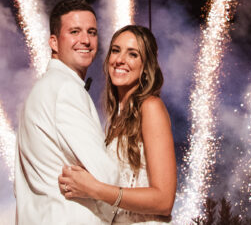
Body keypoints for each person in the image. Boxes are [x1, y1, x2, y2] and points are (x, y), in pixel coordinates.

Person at [15, 0, 119, 223]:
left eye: (91, 32)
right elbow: (107, 177)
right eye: (74, 31)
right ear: (54, 42)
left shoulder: (42, 89)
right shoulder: (66, 90)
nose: (85, 40)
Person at [59, 25, 176, 223]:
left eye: (133, 54)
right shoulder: (115, 119)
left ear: (146, 66)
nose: (120, 59)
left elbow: (164, 200)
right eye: (115, 50)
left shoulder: (150, 108)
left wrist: (94, 189)